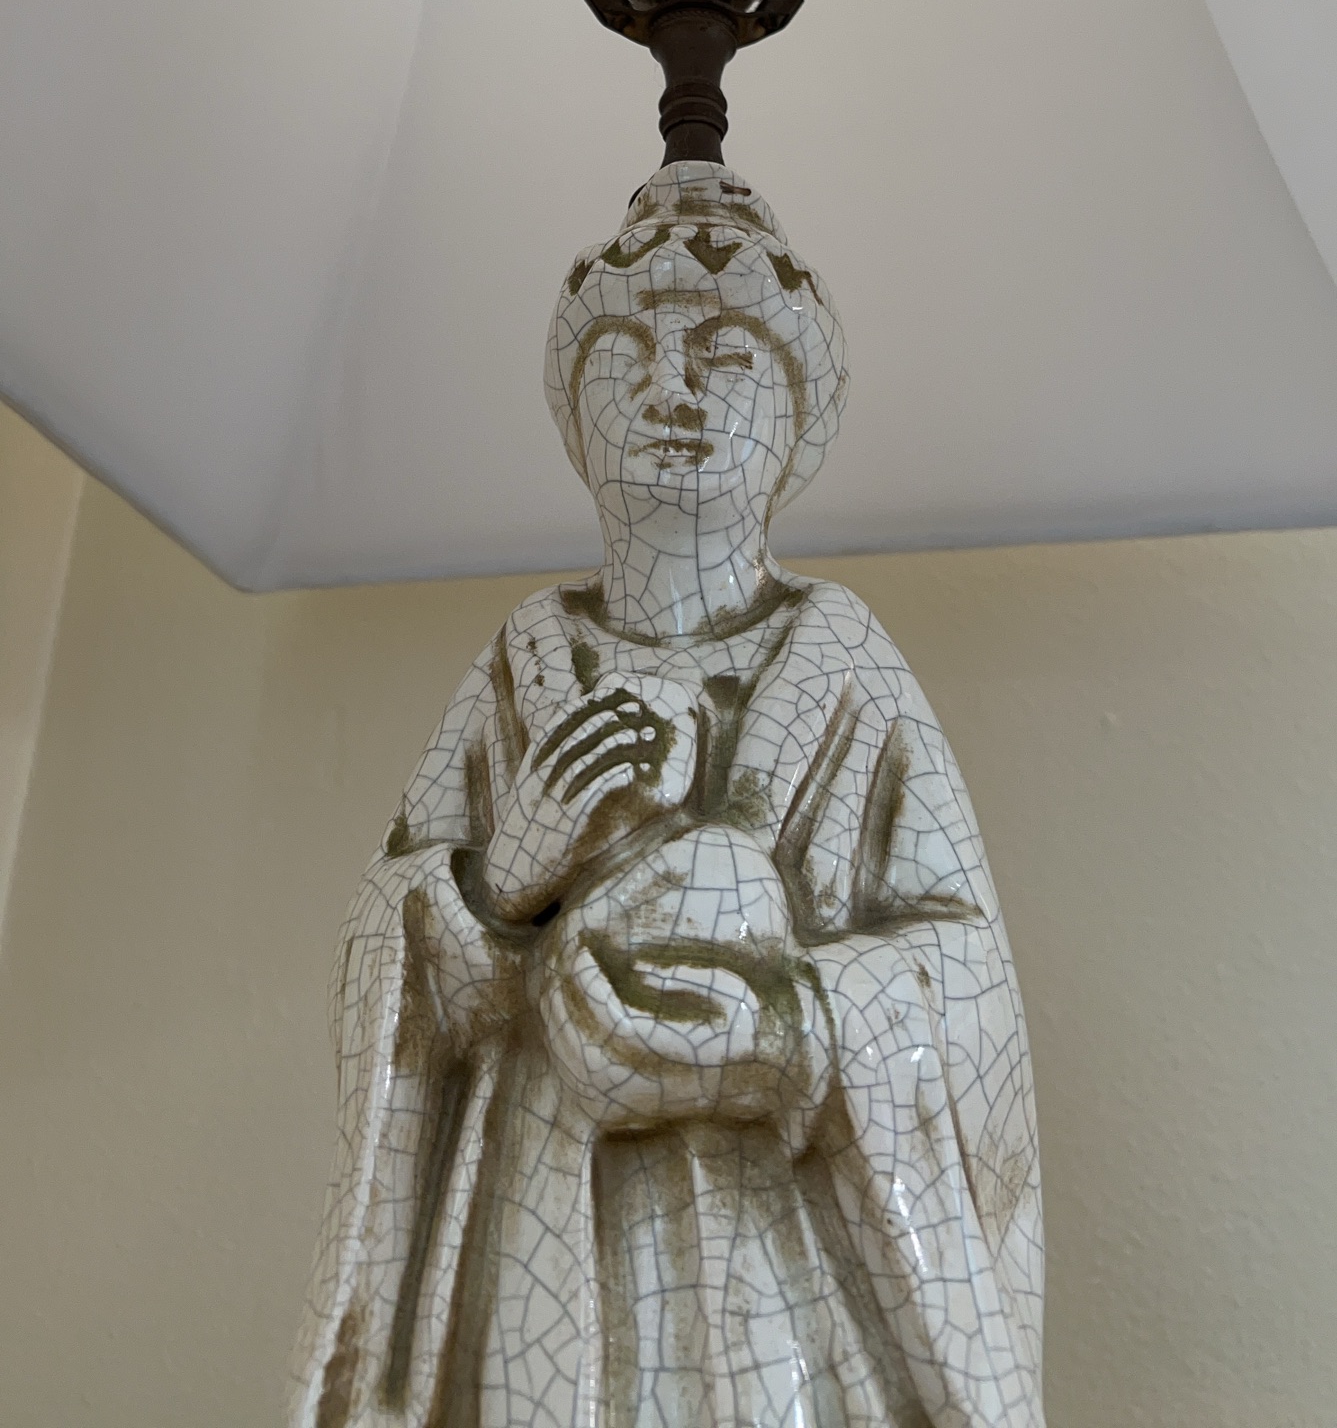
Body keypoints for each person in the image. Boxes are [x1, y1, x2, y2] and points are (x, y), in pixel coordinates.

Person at [293, 165, 1044, 1428]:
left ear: (796, 420)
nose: (670, 391)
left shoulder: (843, 665)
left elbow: (970, 993)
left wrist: (780, 1030)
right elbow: (387, 959)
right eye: (624, 358)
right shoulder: (524, 663)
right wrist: (498, 886)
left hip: (770, 1264)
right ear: (573, 420)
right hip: (539, 1233)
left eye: (725, 356)